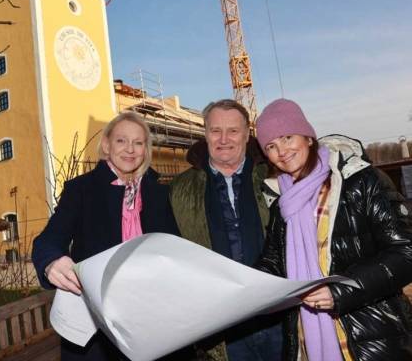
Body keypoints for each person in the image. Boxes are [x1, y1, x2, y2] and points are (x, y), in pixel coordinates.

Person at [254, 98, 412, 360]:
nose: (281, 151)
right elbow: (274, 264)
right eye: (271, 146)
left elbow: (405, 252)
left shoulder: (359, 182)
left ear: (308, 137)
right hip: (306, 340)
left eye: (288, 137)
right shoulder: (280, 202)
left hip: (370, 340)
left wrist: (342, 291)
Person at [32, 112, 184, 361]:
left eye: (138, 143)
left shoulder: (159, 193)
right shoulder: (80, 189)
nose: (130, 149)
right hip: (97, 323)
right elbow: (49, 239)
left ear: (146, 150)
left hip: (151, 318)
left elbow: (173, 248)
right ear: (106, 145)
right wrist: (52, 261)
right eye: (121, 141)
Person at [170, 99, 283, 361]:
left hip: (278, 317)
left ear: (246, 135)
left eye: (233, 131)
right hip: (222, 329)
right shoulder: (180, 189)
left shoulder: (277, 176)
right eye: (215, 130)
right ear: (205, 134)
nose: (224, 139)